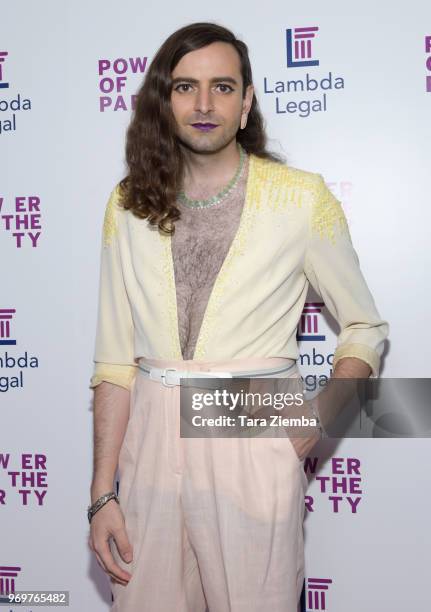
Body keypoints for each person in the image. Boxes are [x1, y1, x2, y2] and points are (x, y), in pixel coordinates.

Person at [87, 21, 389, 612]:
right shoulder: (127, 203)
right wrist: (102, 493)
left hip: (251, 420)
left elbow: (365, 327)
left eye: (223, 87)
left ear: (247, 102)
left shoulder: (300, 197)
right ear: (163, 100)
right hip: (149, 436)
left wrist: (313, 420)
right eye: (185, 87)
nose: (204, 104)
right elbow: (114, 363)